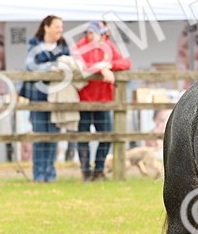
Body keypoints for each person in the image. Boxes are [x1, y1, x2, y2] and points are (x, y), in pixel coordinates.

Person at [75, 21, 131, 181]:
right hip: (84, 101)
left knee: (107, 136)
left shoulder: (108, 45)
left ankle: (99, 170)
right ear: (88, 33)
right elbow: (82, 66)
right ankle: (86, 172)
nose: (102, 36)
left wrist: (109, 64)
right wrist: (102, 68)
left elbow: (126, 63)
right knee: (83, 138)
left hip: (104, 100)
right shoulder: (80, 47)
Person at [22, 15, 71, 183]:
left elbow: (70, 64)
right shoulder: (34, 43)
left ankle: (50, 173)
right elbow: (30, 65)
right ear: (46, 27)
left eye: (61, 27)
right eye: (57, 26)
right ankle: (39, 174)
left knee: (53, 135)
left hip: (57, 96)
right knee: (40, 135)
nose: (60, 30)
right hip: (37, 96)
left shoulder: (64, 45)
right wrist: (50, 67)